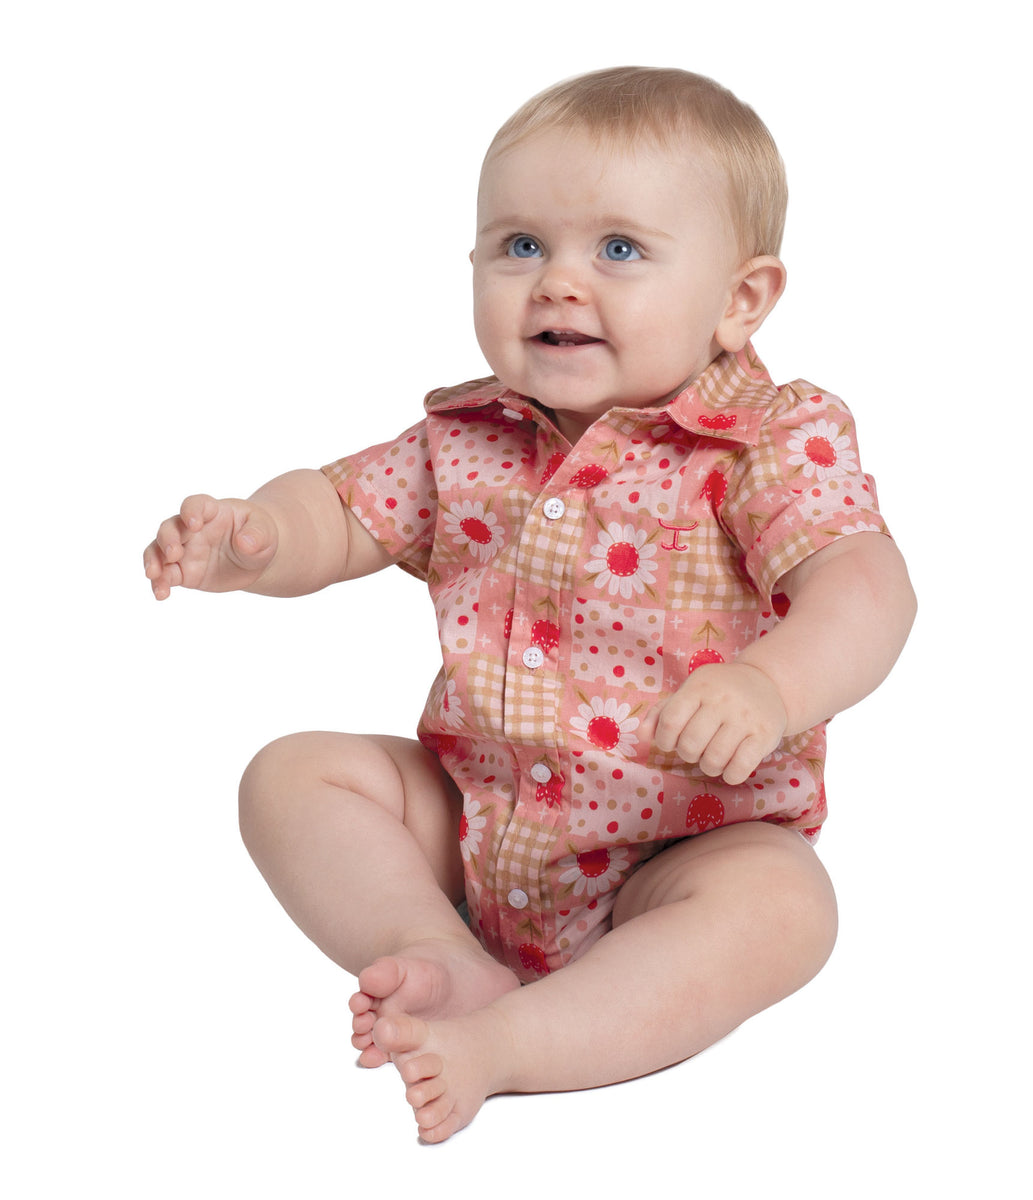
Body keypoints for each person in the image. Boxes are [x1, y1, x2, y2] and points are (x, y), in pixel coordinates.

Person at [144, 66, 917, 1143]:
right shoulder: (469, 439)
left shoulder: (770, 442)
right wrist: (256, 539)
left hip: (680, 845)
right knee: (293, 775)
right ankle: (449, 959)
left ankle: (513, 1046)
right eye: (519, 246)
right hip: (474, 822)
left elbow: (865, 583)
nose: (555, 282)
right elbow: (340, 511)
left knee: (784, 908)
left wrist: (770, 684)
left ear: (740, 301)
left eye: (618, 250)